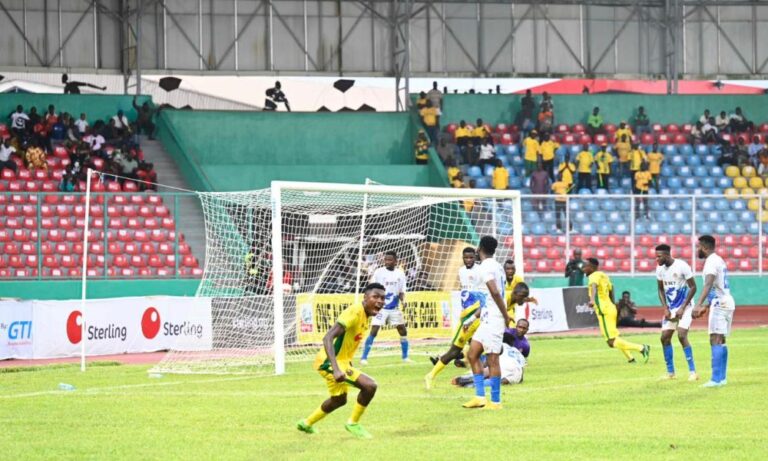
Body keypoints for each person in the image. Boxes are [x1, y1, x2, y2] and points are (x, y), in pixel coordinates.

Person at [296, 283, 384, 439]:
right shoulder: (355, 312)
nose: (379, 301)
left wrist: (348, 364)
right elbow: (328, 337)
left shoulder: (366, 315)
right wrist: (336, 369)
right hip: (329, 362)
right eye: (375, 297)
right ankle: (353, 423)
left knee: (339, 400)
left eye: (382, 298)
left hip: (341, 361)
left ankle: (306, 423)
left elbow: (347, 344)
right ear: (365, 297)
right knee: (370, 386)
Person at [462, 236, 509, 410]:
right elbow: (491, 297)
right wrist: (473, 318)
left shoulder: (486, 267)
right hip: (487, 317)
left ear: (480, 247)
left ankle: (495, 402)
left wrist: (505, 315)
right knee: (473, 354)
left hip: (494, 319)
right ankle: (480, 397)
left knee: (492, 359)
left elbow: (495, 292)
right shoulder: (496, 265)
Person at [425, 247, 481, 389]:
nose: (468, 260)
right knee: (454, 351)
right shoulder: (461, 271)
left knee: (485, 347)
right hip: (468, 316)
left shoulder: (481, 270)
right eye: (466, 258)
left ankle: (481, 375)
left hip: (481, 314)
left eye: (471, 257)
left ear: (476, 257)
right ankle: (430, 375)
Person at [583, 258, 650, 363]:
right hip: (610, 308)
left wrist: (592, 300)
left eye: (585, 266)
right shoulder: (603, 275)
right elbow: (611, 288)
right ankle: (630, 358)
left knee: (611, 341)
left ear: (591, 267)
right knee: (615, 337)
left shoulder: (593, 276)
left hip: (603, 310)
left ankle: (641, 348)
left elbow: (594, 286)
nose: (583, 269)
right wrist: (613, 304)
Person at [692, 235, 735, 388]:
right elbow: (717, 287)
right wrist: (706, 306)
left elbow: (709, 284)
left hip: (720, 304)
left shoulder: (710, 262)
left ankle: (715, 379)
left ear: (704, 247)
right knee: (721, 340)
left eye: (699, 247)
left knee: (715, 339)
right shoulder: (719, 260)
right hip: (726, 300)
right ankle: (722, 378)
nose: (697, 250)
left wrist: (697, 305)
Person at [655, 244, 699, 381]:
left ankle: (693, 372)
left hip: (685, 307)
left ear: (667, 255)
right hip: (672, 308)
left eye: (659, 256)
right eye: (656, 256)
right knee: (664, 338)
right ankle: (671, 373)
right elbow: (661, 290)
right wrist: (665, 308)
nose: (657, 259)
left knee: (681, 335)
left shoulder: (682, 266)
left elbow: (693, 287)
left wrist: (683, 307)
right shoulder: (660, 269)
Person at [360, 251, 411, 364]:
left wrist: (404, 301)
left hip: (394, 308)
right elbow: (372, 288)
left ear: (395, 261)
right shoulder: (379, 272)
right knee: (374, 331)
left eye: (390, 260)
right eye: (386, 259)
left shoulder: (400, 273)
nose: (387, 262)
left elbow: (401, 291)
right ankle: (364, 358)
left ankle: (405, 357)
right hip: (380, 308)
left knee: (402, 330)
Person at [451, 319, 531, 387]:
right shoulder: (516, 349)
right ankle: (471, 381)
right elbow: (522, 366)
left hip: (503, 366)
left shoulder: (504, 345)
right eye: (520, 327)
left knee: (489, 370)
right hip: (515, 373)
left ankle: (469, 379)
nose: (521, 329)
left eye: (524, 328)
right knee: (499, 380)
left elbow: (490, 359)